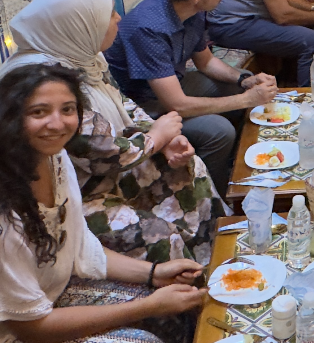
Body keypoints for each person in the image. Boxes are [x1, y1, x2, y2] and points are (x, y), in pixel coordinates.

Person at [0, 0, 229, 265]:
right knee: (157, 234)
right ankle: (184, 287)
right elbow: (96, 152)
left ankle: (213, 261)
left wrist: (165, 138)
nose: (119, 17)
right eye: (109, 13)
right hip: (75, 194)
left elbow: (124, 105)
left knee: (188, 168)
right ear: (78, 24)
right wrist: (154, 139)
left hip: (112, 169)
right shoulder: (40, 80)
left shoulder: (86, 58)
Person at [0, 63, 206, 343]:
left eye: (68, 109)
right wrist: (147, 305)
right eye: (39, 112)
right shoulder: (6, 206)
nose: (57, 123)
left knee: (179, 307)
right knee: (145, 335)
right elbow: (29, 327)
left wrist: (154, 274)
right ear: (9, 117)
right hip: (17, 330)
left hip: (51, 297)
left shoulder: (55, 158)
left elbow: (80, 245)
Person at [105, 0, 279, 195]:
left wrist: (244, 79)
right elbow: (177, 104)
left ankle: (240, 161)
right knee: (219, 130)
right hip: (142, 104)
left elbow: (206, 62)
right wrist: (247, 100)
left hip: (172, 85)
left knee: (240, 85)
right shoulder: (148, 27)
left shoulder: (193, 11)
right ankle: (218, 193)